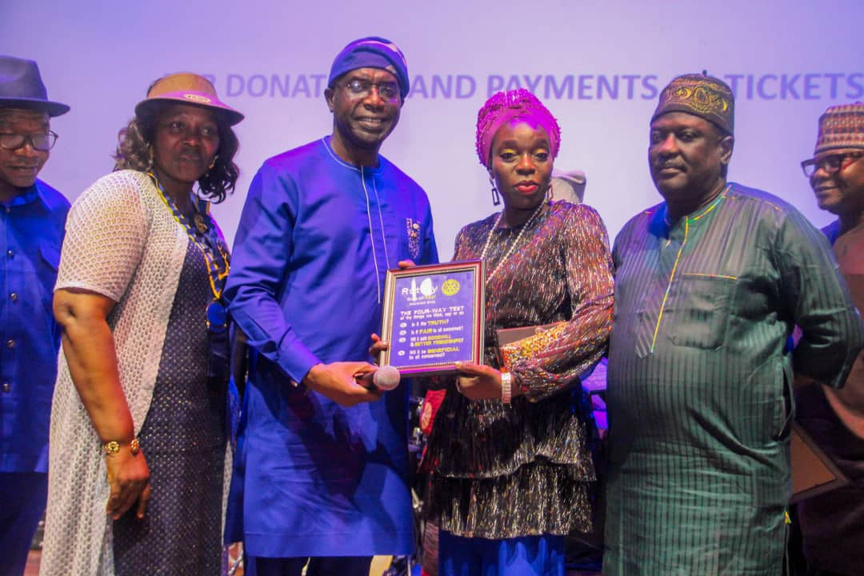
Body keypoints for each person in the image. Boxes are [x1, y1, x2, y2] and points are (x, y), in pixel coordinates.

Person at [604, 74, 864, 575]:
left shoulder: (775, 224)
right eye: (658, 135)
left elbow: (841, 333)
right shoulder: (632, 233)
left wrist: (773, 382)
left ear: (724, 148)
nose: (666, 148)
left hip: (728, 490)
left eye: (686, 135)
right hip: (634, 491)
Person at [224, 37, 438, 576]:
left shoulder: (413, 196)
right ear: (330, 96)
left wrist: (420, 303)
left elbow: (431, 318)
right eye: (359, 85)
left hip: (372, 433)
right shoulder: (284, 176)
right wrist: (314, 373)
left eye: (388, 89)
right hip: (291, 428)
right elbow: (247, 292)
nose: (373, 99)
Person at [40, 73, 243, 575]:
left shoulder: (199, 215)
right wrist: (120, 444)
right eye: (178, 125)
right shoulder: (121, 195)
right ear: (147, 133)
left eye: (207, 130)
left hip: (195, 430)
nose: (193, 140)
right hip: (136, 430)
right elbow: (78, 314)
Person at [420, 88, 614, 575]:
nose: (527, 165)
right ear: (489, 163)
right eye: (510, 155)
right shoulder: (472, 236)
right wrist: (413, 336)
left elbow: (598, 316)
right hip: (466, 446)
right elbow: (454, 333)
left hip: (533, 442)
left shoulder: (574, 222)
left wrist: (512, 381)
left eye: (540, 153)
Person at [0, 55, 69, 576]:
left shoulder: (61, 214)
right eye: (10, 136)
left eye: (39, 137)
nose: (29, 151)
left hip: (29, 441)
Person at [795, 102, 864, 576]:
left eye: (836, 160)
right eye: (815, 163)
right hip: (818, 457)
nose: (820, 173)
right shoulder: (816, 243)